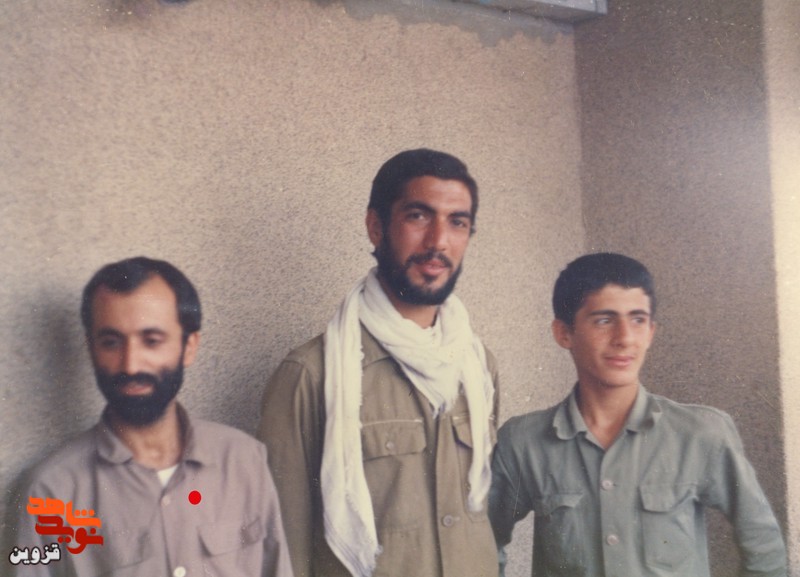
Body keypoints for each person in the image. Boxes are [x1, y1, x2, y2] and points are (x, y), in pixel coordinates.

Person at [257, 149, 499, 577]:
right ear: (376, 226)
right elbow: (284, 553)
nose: (439, 241)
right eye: (418, 216)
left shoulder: (478, 368)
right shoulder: (311, 375)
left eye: (457, 222)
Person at [488, 252, 787, 577]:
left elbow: (764, 546)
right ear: (564, 333)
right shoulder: (524, 441)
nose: (625, 338)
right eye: (604, 320)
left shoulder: (701, 433)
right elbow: (481, 545)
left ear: (651, 332)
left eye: (638, 320)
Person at [13, 257, 293, 577]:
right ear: (91, 348)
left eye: (152, 341)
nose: (131, 364)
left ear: (189, 346)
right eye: (111, 342)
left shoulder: (245, 459)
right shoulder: (50, 490)